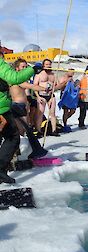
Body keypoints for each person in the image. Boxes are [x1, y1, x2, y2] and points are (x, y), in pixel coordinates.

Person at [0, 52, 40, 184]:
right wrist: (32, 69)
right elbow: (14, 78)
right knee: (13, 138)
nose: (3, 57)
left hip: (5, 107)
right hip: (2, 110)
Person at [10, 58, 48, 159]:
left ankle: (21, 153)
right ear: (17, 68)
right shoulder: (17, 79)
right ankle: (18, 154)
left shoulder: (19, 79)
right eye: (23, 67)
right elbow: (31, 86)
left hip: (22, 107)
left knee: (24, 131)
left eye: (26, 66)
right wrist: (44, 88)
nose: (26, 68)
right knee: (21, 131)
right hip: (17, 107)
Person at [33, 59, 60, 137]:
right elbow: (35, 86)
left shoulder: (53, 75)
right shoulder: (39, 75)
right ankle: (38, 131)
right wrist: (37, 96)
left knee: (52, 113)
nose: (48, 66)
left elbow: (58, 85)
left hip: (51, 96)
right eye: (47, 64)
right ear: (43, 65)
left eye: (49, 64)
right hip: (41, 95)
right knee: (40, 113)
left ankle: (54, 130)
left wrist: (54, 88)